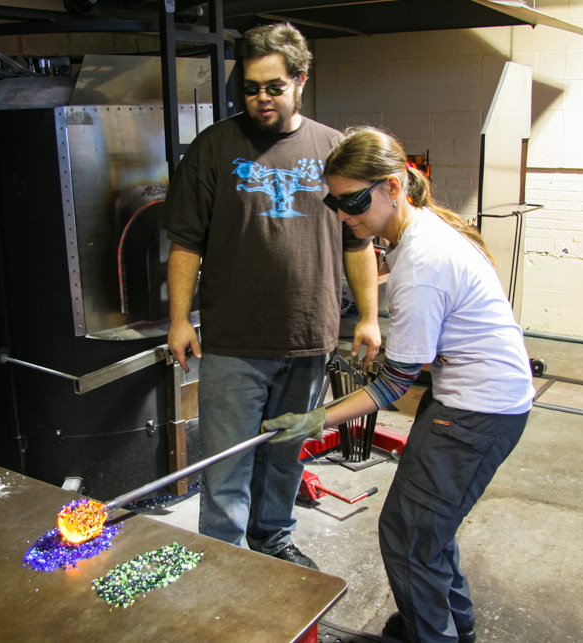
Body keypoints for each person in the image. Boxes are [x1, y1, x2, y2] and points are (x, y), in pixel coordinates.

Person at [262, 126, 534, 641]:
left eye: (354, 201)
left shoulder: (421, 263)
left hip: (479, 411)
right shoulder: (422, 230)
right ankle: (453, 626)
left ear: (392, 187)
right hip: (480, 400)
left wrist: (314, 420)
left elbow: (391, 388)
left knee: (409, 536)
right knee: (428, 528)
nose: (344, 215)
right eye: (334, 202)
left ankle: (430, 634)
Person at [161, 23, 381, 570]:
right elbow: (186, 242)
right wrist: (179, 319)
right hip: (235, 342)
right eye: (252, 88)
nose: (261, 99)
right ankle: (224, 557)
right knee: (226, 465)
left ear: (300, 81)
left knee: (284, 457)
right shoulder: (215, 147)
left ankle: (272, 540)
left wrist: (368, 318)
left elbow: (359, 241)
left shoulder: (332, 148)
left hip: (309, 336)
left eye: (274, 87)